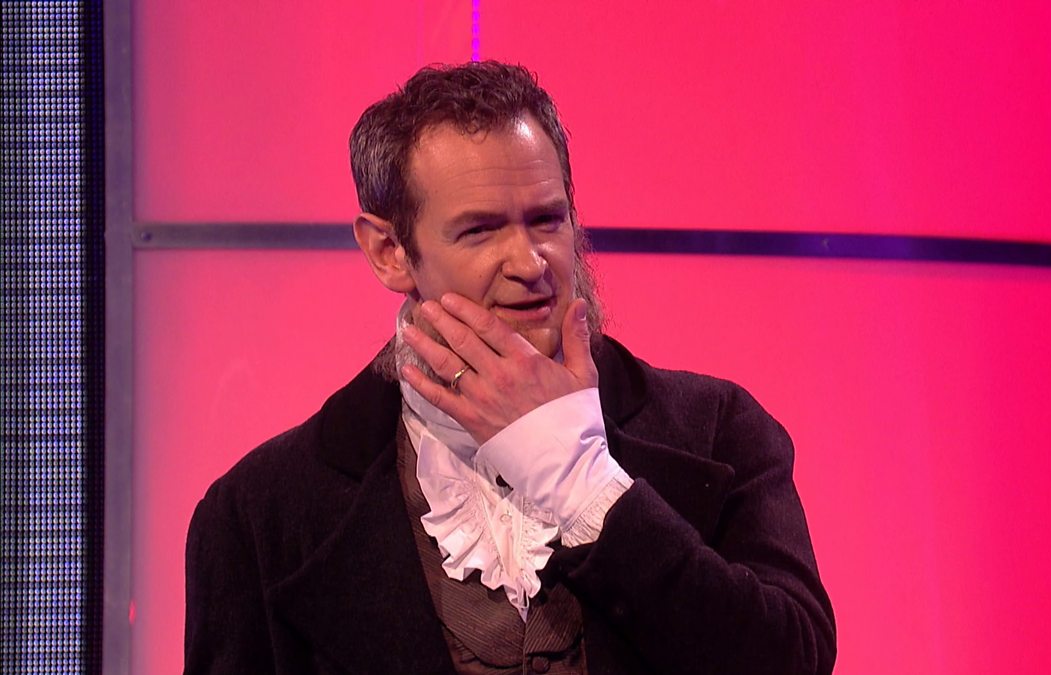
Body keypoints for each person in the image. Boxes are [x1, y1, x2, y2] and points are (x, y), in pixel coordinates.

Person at [184, 61, 836, 674]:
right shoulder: (257, 514)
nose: (529, 263)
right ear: (389, 251)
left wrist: (584, 483)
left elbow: (794, 659)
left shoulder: (719, 429)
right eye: (480, 230)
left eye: (547, 219)